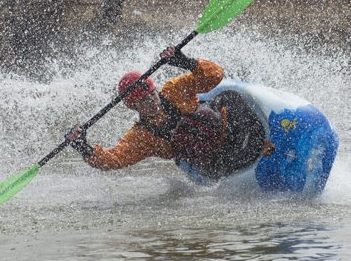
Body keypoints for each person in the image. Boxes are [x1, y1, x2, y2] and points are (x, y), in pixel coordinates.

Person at [65, 46, 266, 180]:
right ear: (133, 106)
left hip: (226, 128)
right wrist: (83, 147)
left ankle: (260, 139)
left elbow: (215, 76)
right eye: (143, 101)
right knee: (189, 131)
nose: (152, 101)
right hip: (215, 161)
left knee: (228, 98)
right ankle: (251, 152)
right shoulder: (143, 136)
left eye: (152, 94)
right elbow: (113, 160)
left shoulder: (173, 90)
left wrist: (187, 62)